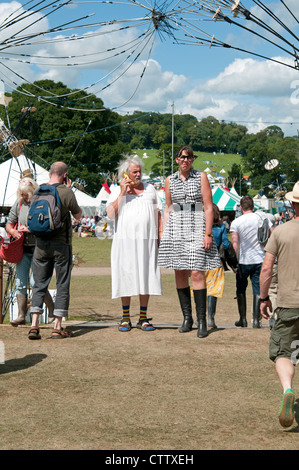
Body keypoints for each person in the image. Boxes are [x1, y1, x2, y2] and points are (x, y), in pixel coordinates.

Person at [158, 146, 221, 338]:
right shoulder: (169, 180)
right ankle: (187, 318)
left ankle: (202, 321)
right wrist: (163, 232)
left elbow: (209, 207)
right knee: (179, 271)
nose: (186, 160)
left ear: (193, 160)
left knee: (196, 271)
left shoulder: (201, 177)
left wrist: (208, 234)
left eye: (189, 157)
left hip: (197, 224)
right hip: (176, 226)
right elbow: (168, 208)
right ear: (177, 159)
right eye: (182, 157)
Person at [106, 155, 162, 332]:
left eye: (140, 171)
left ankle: (143, 318)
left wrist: (160, 235)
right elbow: (110, 215)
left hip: (147, 242)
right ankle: (125, 318)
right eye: (134, 172)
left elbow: (158, 214)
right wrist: (122, 193)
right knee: (126, 275)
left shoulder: (150, 189)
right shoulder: (116, 191)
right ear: (125, 174)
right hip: (124, 242)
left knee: (146, 276)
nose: (138, 175)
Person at [259, 181, 299, 428]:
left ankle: (287, 391)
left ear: (294, 203)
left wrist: (264, 299)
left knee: (284, 353)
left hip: (288, 304)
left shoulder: (281, 232)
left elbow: (266, 269)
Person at [28, 162, 82, 340]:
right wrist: (68, 190)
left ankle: (34, 324)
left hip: (41, 245)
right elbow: (78, 215)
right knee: (62, 283)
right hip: (61, 245)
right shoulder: (67, 192)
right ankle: (57, 326)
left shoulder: (38, 191)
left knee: (39, 284)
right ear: (65, 175)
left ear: (50, 173)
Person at [5, 175, 55, 326]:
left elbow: (48, 225)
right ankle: (21, 315)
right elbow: (9, 223)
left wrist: (30, 229)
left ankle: (52, 309)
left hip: (39, 248)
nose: (24, 196)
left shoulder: (42, 203)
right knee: (20, 282)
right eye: (22, 194)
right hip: (22, 249)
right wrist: (14, 232)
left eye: (26, 193)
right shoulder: (19, 203)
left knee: (35, 282)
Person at [230, 196, 273, 328]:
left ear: (241, 208)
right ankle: (256, 319)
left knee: (241, 289)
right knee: (258, 289)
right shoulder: (262, 219)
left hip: (243, 260)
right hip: (259, 258)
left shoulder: (236, 222)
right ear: (253, 207)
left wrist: (234, 262)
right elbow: (272, 234)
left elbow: (235, 244)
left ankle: (242, 319)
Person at [205, 204, 231, 329]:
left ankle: (201, 317)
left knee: (201, 289)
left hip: (201, 261)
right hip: (215, 262)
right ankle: (211, 318)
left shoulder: (203, 226)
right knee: (213, 290)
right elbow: (225, 244)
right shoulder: (221, 227)